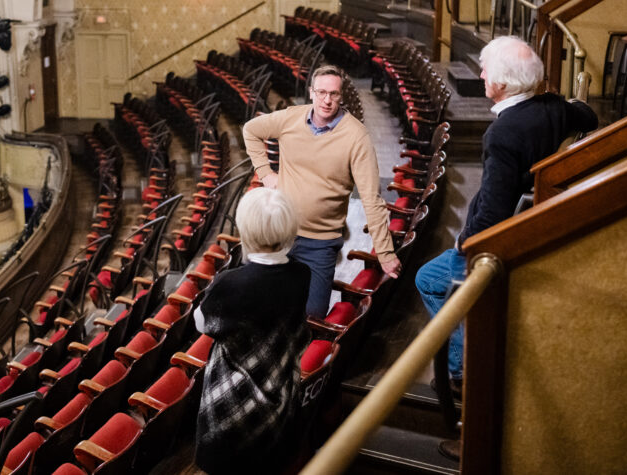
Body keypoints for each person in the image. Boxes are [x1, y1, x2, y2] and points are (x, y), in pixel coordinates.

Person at [415, 35, 598, 388]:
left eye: (486, 71)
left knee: (427, 280)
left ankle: (463, 370)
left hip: (495, 241)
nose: (481, 75)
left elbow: (493, 213)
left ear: (501, 83)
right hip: (530, 221)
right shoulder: (552, 107)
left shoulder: (503, 133)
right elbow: (588, 116)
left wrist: (464, 244)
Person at [243, 64, 400, 318]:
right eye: (322, 92)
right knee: (261, 306)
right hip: (279, 232)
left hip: (320, 243)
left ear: (341, 96)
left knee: (313, 314)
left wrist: (385, 252)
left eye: (334, 94)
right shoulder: (290, 118)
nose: (327, 100)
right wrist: (266, 173)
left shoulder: (356, 137)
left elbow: (371, 198)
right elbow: (250, 130)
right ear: (311, 92)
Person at [194, 187, 310, 474]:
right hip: (279, 391)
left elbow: (201, 323)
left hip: (234, 406)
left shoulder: (230, 283)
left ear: (246, 231)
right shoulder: (301, 274)